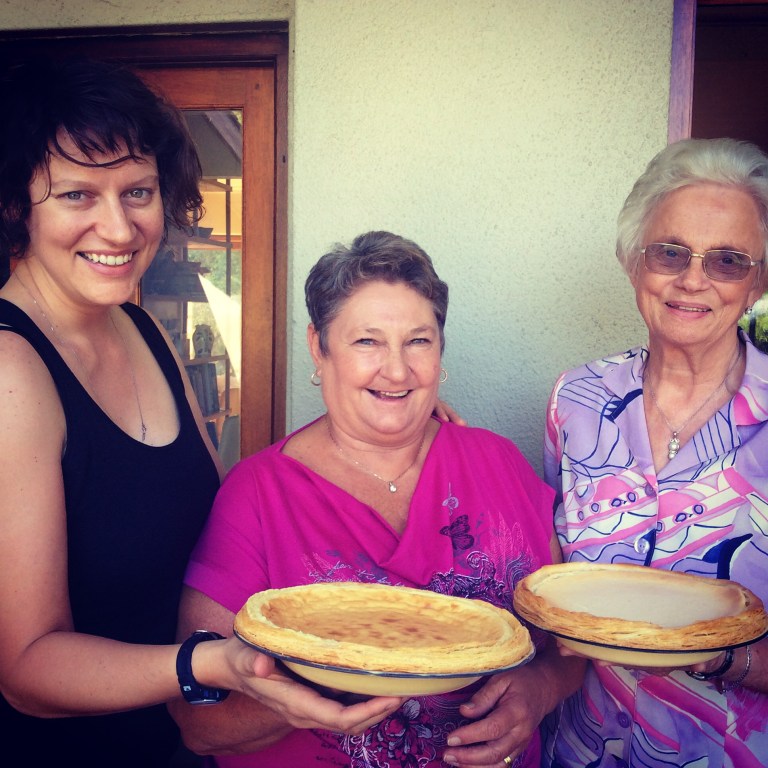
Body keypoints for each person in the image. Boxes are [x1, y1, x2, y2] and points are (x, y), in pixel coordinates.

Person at [0, 58, 401, 768]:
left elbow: (222, 515)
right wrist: (209, 664)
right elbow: (26, 669)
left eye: (138, 191)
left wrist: (380, 433)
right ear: (15, 207)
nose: (118, 227)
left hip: (185, 744)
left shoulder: (142, 330)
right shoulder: (11, 370)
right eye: (77, 195)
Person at [169, 230, 585, 768]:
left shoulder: (498, 463)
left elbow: (570, 640)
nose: (396, 370)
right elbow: (201, 724)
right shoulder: (258, 494)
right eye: (367, 341)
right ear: (319, 347)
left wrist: (541, 688)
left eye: (418, 341)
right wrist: (329, 678)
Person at [543, 137, 768, 767]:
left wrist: (720, 656)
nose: (693, 279)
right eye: (671, 252)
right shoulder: (576, 401)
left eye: (728, 261)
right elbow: (546, 564)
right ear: (633, 261)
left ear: (758, 282)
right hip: (580, 750)